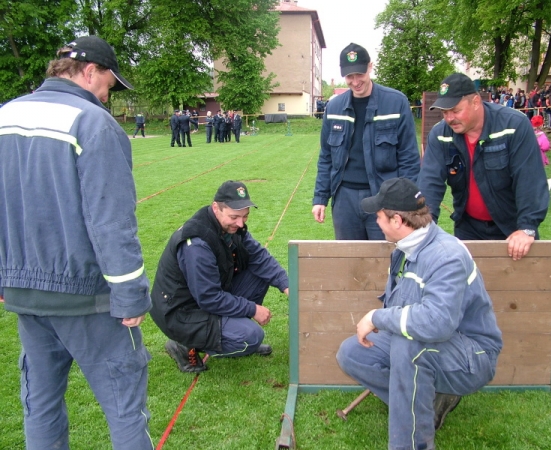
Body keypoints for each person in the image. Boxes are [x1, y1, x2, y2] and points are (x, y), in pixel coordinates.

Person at [0, 35, 153, 449]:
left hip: (26, 295)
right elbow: (112, 221)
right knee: (125, 411)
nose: (107, 95)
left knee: (41, 406)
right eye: (108, 84)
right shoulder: (93, 123)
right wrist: (131, 296)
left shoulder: (5, 115)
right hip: (88, 299)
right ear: (89, 72)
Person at [336, 177, 502, 450]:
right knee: (351, 353)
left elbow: (438, 323)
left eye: (379, 216)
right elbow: (405, 308)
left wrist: (377, 317)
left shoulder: (447, 255)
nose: (376, 221)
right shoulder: (404, 249)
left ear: (397, 220)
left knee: (409, 347)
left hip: (472, 355)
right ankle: (428, 403)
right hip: (431, 343)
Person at [150, 180, 289, 372]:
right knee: (251, 337)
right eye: (234, 217)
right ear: (216, 208)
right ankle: (183, 344)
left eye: (245, 216)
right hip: (182, 313)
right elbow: (209, 297)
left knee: (260, 274)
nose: (240, 223)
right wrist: (252, 309)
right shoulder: (197, 244)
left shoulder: (230, 227)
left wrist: (287, 285)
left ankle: (232, 331)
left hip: (203, 299)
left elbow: (259, 257)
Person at [418, 73, 549, 261]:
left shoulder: (514, 125)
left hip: (512, 228)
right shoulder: (440, 134)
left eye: (455, 110)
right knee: (466, 278)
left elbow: (530, 180)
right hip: (467, 227)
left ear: (476, 102)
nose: (449, 118)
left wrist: (527, 228)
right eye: (444, 112)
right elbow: (429, 183)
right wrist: (423, 229)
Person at [312, 43, 421, 240]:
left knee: (386, 256)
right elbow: (326, 157)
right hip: (344, 200)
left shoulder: (396, 102)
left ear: (370, 67)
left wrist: (404, 202)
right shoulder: (334, 108)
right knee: (349, 257)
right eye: (349, 76)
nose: (355, 82)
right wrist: (320, 198)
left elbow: (409, 158)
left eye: (360, 74)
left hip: (385, 198)